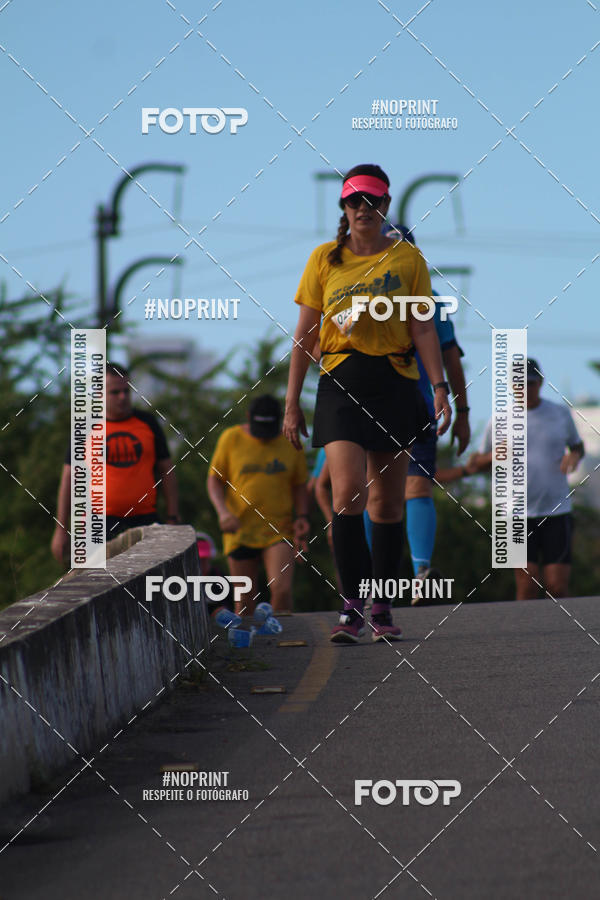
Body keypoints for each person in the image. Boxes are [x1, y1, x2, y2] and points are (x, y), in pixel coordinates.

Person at [283, 163, 451, 643]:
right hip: (340, 381)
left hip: (395, 382)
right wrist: (291, 402)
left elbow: (423, 328)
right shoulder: (324, 259)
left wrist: (440, 388)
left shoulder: (408, 260)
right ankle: (351, 605)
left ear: (386, 205)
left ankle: (381, 605)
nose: (364, 208)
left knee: (388, 503)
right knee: (347, 493)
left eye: (372, 200)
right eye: (355, 200)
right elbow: (305, 335)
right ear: (343, 206)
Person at [383, 225, 471, 602]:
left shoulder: (432, 302)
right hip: (371, 408)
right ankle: (374, 580)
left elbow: (451, 358)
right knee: (374, 495)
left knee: (418, 486)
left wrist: (462, 411)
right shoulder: (359, 295)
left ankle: (421, 574)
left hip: (419, 406)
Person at [469, 358, 584, 600]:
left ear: (540, 383)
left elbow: (577, 446)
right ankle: (527, 627)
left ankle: (560, 626)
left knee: (557, 586)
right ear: (512, 386)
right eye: (520, 384)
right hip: (515, 514)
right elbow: (476, 463)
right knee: (527, 584)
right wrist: (493, 456)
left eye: (530, 383)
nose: (526, 389)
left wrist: (573, 456)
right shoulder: (499, 418)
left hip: (557, 511)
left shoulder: (560, 413)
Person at [51, 362, 180, 564]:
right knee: (98, 580)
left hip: (145, 519)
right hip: (98, 524)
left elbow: (167, 470)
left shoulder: (148, 423)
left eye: (126, 391)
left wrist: (173, 516)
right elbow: (69, 479)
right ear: (99, 394)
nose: (122, 397)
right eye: (115, 392)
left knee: (149, 579)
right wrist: (61, 529)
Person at [207, 394, 309, 615]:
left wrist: (302, 517)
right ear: (248, 417)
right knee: (244, 599)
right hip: (240, 530)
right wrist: (223, 513)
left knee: (282, 591)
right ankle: (248, 639)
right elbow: (214, 479)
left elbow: (300, 484)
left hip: (278, 529)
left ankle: (284, 635)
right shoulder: (231, 438)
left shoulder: (290, 441)